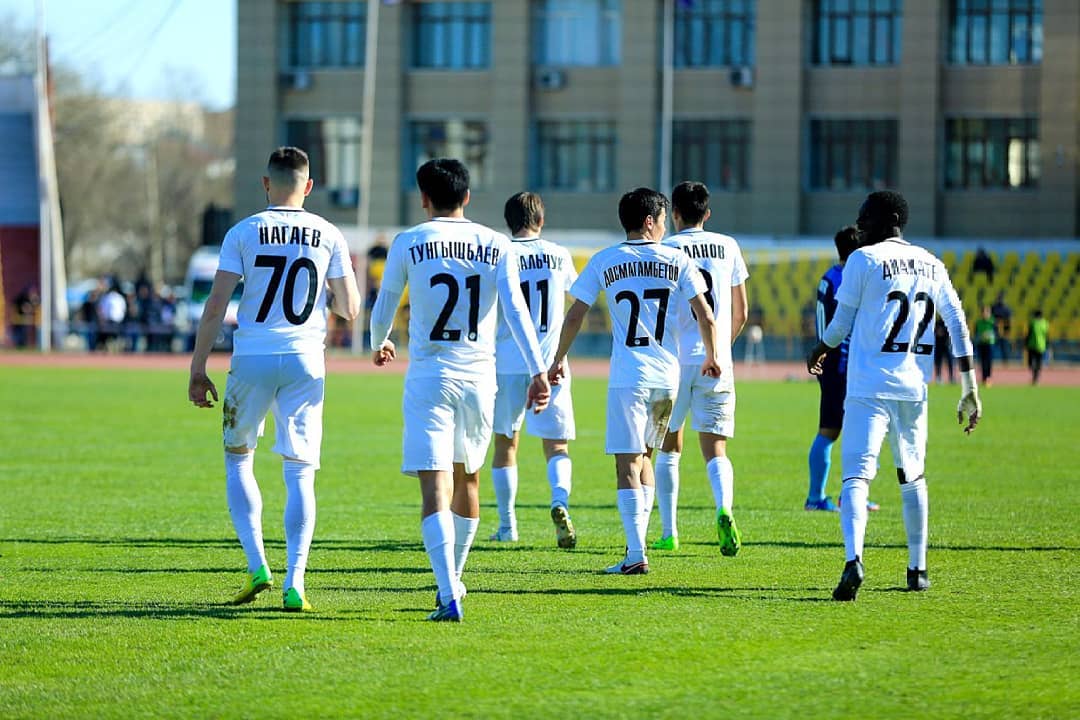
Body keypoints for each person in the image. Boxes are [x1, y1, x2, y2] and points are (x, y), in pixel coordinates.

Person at [369, 158, 549, 622]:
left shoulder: (409, 241)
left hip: (430, 375)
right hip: (479, 377)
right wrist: (538, 370)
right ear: (467, 197)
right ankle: (453, 579)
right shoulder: (496, 243)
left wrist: (379, 342)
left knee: (435, 487)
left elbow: (385, 303)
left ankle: (448, 590)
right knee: (468, 481)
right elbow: (516, 311)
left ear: (424, 198)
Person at [187, 146, 361, 612]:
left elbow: (216, 306)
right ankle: (295, 582)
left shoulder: (244, 231)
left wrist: (197, 367)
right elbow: (350, 308)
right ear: (308, 186)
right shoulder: (328, 233)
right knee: (300, 471)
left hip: (254, 356)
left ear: (266, 184)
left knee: (239, 460)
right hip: (306, 359)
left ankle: (256, 564)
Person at [807, 190, 981, 601]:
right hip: (913, 389)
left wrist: (819, 348)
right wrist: (969, 388)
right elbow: (957, 323)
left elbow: (841, 324)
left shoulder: (863, 260)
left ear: (885, 219)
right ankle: (917, 569)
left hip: (868, 386)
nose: (859, 224)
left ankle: (854, 560)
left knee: (856, 477)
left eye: (865, 217)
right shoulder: (931, 262)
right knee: (912, 476)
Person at [548, 187, 720, 575]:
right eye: (661, 219)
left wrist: (558, 358)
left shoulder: (605, 260)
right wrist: (712, 357)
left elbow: (575, 315)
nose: (663, 226)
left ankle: (634, 553)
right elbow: (706, 316)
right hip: (667, 377)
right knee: (646, 459)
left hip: (629, 377)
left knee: (627, 464)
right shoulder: (678, 260)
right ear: (649, 221)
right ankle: (636, 549)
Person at [650, 181, 748, 553]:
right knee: (716, 447)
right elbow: (742, 312)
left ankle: (669, 532)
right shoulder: (728, 246)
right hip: (716, 361)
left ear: (673, 213)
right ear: (707, 214)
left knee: (668, 447)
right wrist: (719, 348)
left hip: (673, 361)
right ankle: (723, 508)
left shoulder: (666, 247)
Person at [488, 192, 579, 548]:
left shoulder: (500, 254)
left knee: (506, 443)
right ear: (540, 220)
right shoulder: (558, 254)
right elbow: (575, 299)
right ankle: (559, 502)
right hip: (551, 362)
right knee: (557, 446)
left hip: (507, 361)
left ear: (509, 222)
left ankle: (508, 525)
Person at [805, 226, 879, 514]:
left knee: (849, 429)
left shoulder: (829, 276)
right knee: (833, 431)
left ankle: (849, 494)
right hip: (842, 361)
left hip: (830, 359)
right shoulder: (849, 278)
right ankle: (817, 497)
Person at [974, 305, 996, 386]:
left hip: (990, 344)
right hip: (981, 344)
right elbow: (976, 333)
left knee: (989, 362)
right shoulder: (978, 323)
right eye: (984, 312)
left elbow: (996, 333)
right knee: (983, 362)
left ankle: (988, 378)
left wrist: (990, 335)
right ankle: (984, 378)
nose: (985, 314)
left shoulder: (993, 322)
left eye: (987, 312)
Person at [1026, 309, 1049, 385]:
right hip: (1039, 345)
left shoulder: (1033, 323)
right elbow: (1047, 336)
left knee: (1032, 362)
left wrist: (1025, 343)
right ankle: (1035, 376)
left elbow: (1028, 334)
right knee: (1036, 362)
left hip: (1033, 345)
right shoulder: (1045, 323)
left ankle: (1035, 376)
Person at [991, 291, 1012, 362]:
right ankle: (993, 360)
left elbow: (1009, 321)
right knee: (993, 346)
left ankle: (1005, 361)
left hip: (1003, 331)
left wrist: (1007, 331)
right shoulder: (994, 308)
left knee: (1004, 347)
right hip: (995, 331)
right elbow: (991, 318)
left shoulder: (1006, 308)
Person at [933, 316, 955, 384]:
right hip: (939, 345)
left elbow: (951, 332)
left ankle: (951, 377)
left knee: (950, 361)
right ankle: (938, 377)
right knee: (938, 362)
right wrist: (937, 333)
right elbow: (934, 331)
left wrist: (943, 333)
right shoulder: (937, 323)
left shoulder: (948, 322)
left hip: (946, 345)